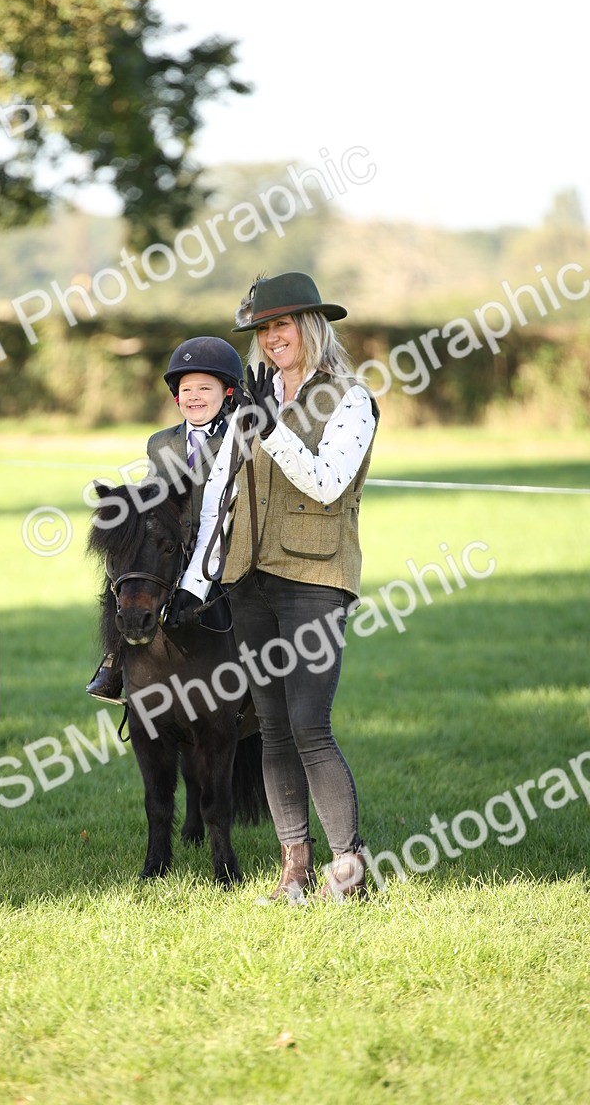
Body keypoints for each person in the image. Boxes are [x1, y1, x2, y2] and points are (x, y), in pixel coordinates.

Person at [188, 271, 379, 900]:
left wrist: (270, 428)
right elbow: (222, 488)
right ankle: (294, 868)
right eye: (264, 328)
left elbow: (327, 481)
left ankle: (349, 872)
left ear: (311, 327)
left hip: (317, 580)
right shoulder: (253, 396)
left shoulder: (351, 399)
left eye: (283, 325)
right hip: (250, 579)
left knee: (308, 725)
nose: (273, 338)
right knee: (269, 727)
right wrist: (199, 577)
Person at [85, 336, 244, 703]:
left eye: (206, 388)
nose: (195, 396)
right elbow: (155, 496)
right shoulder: (160, 442)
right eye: (187, 389)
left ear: (229, 393)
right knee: (123, 572)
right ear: (176, 396)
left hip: (223, 543)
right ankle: (114, 662)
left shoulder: (240, 437)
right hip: (174, 546)